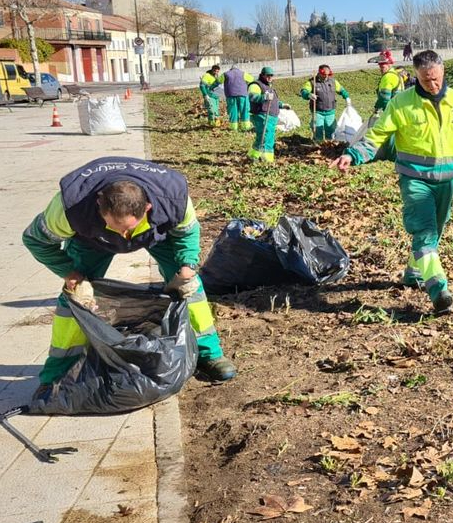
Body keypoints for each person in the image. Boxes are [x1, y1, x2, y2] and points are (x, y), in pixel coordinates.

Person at [22, 157, 238, 387]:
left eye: (128, 228)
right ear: (99, 205)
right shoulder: (71, 207)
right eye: (115, 226)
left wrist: (187, 265)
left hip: (158, 235)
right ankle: (61, 369)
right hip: (92, 240)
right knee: (75, 296)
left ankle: (209, 354)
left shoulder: (173, 198)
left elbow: (186, 233)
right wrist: (69, 273)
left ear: (147, 208)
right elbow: (34, 240)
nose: (123, 236)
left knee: (190, 287)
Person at [330, 50, 453, 315]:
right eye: (425, 81)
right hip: (414, 179)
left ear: (442, 71)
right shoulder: (401, 104)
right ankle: (439, 291)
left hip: (447, 180)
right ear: (417, 77)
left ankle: (413, 273)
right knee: (424, 231)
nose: (432, 85)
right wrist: (352, 155)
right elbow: (376, 136)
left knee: (437, 230)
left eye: (435, 79)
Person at [300, 65, 350, 143]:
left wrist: (346, 97)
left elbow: (341, 90)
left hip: (330, 111)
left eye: (328, 75)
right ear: (319, 73)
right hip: (317, 111)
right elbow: (303, 91)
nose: (326, 77)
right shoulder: (312, 82)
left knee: (331, 130)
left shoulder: (333, 81)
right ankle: (318, 145)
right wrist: (308, 95)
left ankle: (329, 146)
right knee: (317, 130)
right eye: (324, 75)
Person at [248, 66, 282, 162]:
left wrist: (282, 105)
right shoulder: (256, 85)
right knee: (267, 137)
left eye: (271, 75)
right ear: (262, 75)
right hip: (262, 114)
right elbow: (252, 97)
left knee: (262, 137)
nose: (270, 77)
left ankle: (253, 155)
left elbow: (273, 101)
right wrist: (264, 97)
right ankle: (267, 159)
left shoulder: (269, 86)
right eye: (268, 75)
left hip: (271, 115)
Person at [223, 63, 253, 132]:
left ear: (231, 69)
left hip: (231, 96)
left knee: (233, 111)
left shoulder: (225, 74)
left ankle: (234, 128)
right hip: (243, 94)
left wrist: (211, 87)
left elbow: (217, 82)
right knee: (244, 110)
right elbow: (252, 79)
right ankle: (245, 127)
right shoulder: (243, 73)